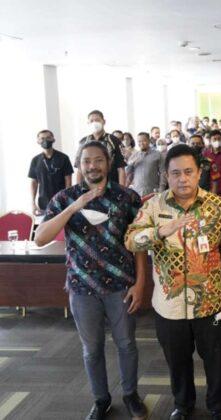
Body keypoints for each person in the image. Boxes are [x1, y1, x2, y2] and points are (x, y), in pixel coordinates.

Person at [125, 144, 221, 420]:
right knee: (177, 361)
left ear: (199, 173)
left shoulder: (217, 206)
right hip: (169, 306)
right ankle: (183, 404)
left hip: (212, 302)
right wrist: (160, 231)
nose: (183, 179)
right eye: (176, 173)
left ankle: (217, 405)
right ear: (166, 175)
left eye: (188, 172)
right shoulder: (153, 206)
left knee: (215, 358)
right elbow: (131, 240)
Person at [34, 141, 147, 420]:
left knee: (126, 344)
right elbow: (40, 238)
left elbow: (140, 243)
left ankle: (130, 395)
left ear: (108, 163)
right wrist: (74, 208)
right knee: (92, 349)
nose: (92, 166)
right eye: (86, 161)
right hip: (82, 287)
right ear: (79, 164)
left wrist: (140, 283)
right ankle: (101, 399)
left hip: (121, 285)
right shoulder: (64, 198)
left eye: (98, 160)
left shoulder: (127, 197)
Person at [74, 110, 126, 185]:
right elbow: (79, 169)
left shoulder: (114, 141)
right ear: (88, 123)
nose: (94, 123)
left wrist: (122, 189)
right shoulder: (83, 142)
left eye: (97, 120)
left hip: (111, 184)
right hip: (89, 186)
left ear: (104, 121)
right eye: (91, 121)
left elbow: (121, 169)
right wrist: (78, 189)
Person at [28, 129, 74, 215]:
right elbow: (34, 182)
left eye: (48, 137)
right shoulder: (35, 160)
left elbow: (68, 181)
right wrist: (33, 202)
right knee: (46, 222)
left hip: (61, 201)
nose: (45, 140)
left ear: (53, 139)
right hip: (43, 203)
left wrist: (67, 200)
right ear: (38, 141)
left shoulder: (64, 158)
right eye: (42, 138)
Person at [126, 132, 165, 197]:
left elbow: (163, 173)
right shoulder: (134, 156)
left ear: (149, 141)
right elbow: (128, 173)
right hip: (137, 192)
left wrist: (161, 189)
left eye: (144, 141)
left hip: (153, 191)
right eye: (139, 141)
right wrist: (131, 163)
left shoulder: (158, 155)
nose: (141, 143)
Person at [203, 130, 221, 196]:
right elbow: (204, 173)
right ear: (210, 141)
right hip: (211, 188)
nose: (217, 141)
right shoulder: (205, 154)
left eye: (219, 139)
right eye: (214, 139)